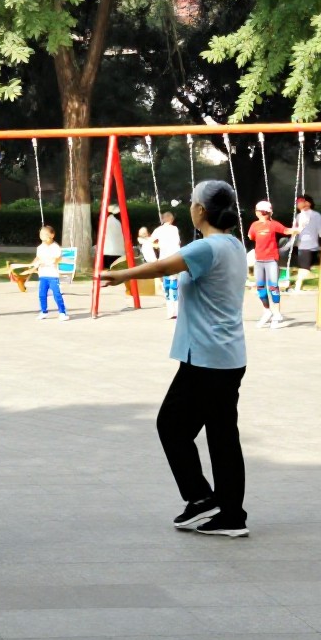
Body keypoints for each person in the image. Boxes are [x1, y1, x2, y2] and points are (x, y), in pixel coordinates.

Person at [101, 180, 251, 538]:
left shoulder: (208, 246)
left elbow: (163, 267)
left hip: (207, 359)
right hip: (222, 356)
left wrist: (122, 274)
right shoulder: (232, 244)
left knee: (174, 426)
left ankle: (211, 504)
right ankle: (220, 509)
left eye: (191, 202)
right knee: (218, 435)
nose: (190, 207)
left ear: (200, 210)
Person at [246, 201, 292, 328]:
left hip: (271, 260)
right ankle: (267, 311)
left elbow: (286, 230)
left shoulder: (273, 224)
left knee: (273, 286)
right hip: (259, 260)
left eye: (257, 210)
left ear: (261, 212)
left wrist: (298, 229)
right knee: (260, 286)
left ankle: (277, 313)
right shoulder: (255, 225)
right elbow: (251, 236)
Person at [22, 224, 69, 321]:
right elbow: (38, 258)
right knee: (42, 294)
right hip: (43, 275)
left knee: (57, 294)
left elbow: (57, 259)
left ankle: (62, 312)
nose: (42, 235)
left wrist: (48, 261)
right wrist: (31, 266)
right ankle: (43, 311)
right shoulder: (40, 248)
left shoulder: (55, 247)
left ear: (52, 235)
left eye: (44, 233)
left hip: (53, 275)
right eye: (41, 234)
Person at [289, 195, 321, 293]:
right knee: (303, 267)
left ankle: (298, 286)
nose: (298, 203)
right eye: (298, 202)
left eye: (301, 201)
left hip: (309, 245)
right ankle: (298, 285)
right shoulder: (299, 216)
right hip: (302, 245)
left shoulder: (315, 215)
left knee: (304, 268)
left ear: (308, 203)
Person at [151, 211, 183, 319]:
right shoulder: (174, 229)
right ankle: (176, 309)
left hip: (164, 259)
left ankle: (170, 311)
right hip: (174, 259)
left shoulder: (158, 230)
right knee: (175, 284)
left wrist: (153, 258)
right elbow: (177, 243)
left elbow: (150, 242)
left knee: (167, 284)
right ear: (171, 219)